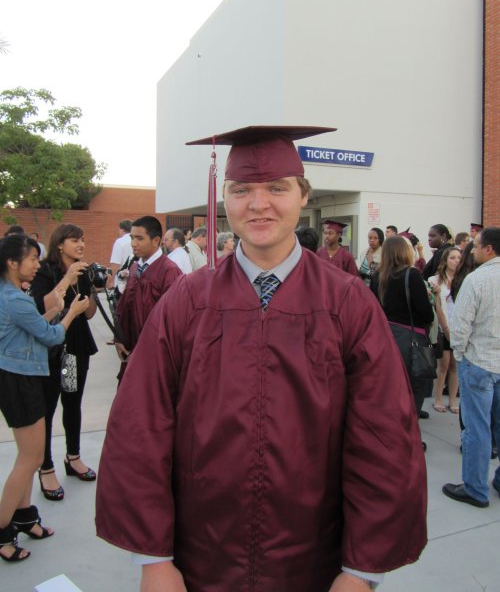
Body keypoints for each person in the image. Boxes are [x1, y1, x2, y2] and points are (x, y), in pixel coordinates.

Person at [96, 125, 427, 592]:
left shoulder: (348, 301)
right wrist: (153, 558)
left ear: (302, 195)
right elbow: (141, 424)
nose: (258, 203)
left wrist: (361, 570)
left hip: (316, 560)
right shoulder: (188, 301)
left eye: (277, 188)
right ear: (224, 200)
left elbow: (384, 434)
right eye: (241, 190)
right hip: (201, 559)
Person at [0, 234, 89, 562]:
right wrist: (72, 313)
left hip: (29, 374)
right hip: (23, 380)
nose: (37, 264)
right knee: (31, 459)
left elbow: (36, 323)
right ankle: (2, 529)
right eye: (32, 259)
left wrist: (62, 302)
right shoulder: (17, 296)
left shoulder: (14, 293)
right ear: (12, 263)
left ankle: (24, 515)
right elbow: (50, 334)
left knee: (29, 456)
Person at [30, 224, 98, 501]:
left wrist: (93, 287)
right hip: (52, 348)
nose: (80, 244)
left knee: (72, 401)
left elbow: (90, 313)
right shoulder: (45, 270)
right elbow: (43, 306)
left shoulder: (83, 270)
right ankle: (45, 467)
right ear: (60, 244)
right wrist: (68, 278)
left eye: (83, 239)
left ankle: (73, 457)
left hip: (75, 348)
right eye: (74, 240)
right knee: (47, 408)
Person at [443, 227, 500, 508]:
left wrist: (461, 355)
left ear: (489, 249)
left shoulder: (477, 280)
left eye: (476, 246)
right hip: (491, 362)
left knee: (477, 428)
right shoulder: (478, 278)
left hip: (478, 363)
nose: (472, 250)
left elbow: (460, 325)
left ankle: (475, 488)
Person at [370, 236, 434, 441]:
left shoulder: (377, 276)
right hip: (410, 340)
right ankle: (408, 435)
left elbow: (372, 310)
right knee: (414, 387)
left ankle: (388, 431)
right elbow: (426, 312)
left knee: (390, 388)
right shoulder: (411, 275)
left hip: (384, 338)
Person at [114, 216, 181, 383]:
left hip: (155, 358)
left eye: (139, 238)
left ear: (156, 240)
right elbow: (125, 306)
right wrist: (119, 338)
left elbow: (172, 321)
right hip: (130, 352)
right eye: (132, 238)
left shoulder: (169, 272)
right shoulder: (136, 266)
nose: (133, 243)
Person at [428, 247, 462, 413]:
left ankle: (453, 400)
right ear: (445, 261)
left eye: (458, 258)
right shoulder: (435, 280)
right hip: (442, 328)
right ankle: (439, 398)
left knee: (456, 366)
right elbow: (435, 305)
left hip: (459, 328)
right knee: (443, 365)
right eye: (452, 258)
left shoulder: (463, 280)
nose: (456, 261)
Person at [108, 220, 133, 288]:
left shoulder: (120, 242)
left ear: (121, 230)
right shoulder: (136, 240)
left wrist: (111, 281)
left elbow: (115, 264)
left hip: (122, 281)